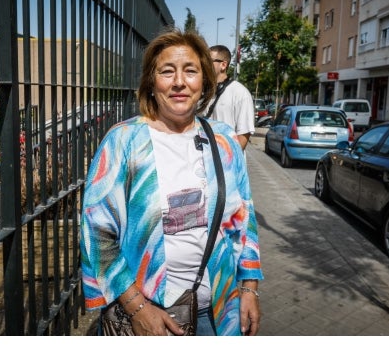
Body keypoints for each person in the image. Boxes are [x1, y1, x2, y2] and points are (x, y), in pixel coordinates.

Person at [81, 29, 262, 336]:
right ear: (152, 83)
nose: (179, 81)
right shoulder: (123, 141)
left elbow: (244, 218)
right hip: (147, 313)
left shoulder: (224, 140)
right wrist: (138, 307)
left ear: (204, 81)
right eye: (167, 71)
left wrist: (249, 289)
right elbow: (97, 233)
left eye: (190, 71)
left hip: (218, 310)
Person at [203, 45, 256, 149]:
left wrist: (228, 162)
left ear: (223, 65)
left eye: (209, 61)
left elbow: (243, 136)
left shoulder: (240, 93)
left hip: (227, 162)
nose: (205, 65)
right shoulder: (202, 91)